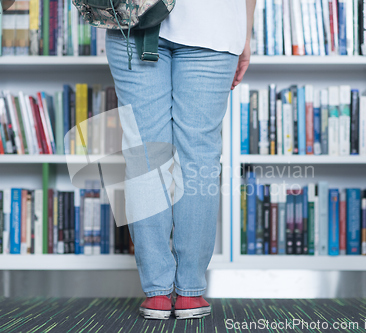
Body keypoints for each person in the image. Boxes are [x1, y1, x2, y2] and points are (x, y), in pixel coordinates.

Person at [105, 0, 256, 320]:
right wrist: (246, 32)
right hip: (214, 24)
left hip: (134, 18)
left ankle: (158, 293)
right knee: (199, 156)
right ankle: (190, 293)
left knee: (145, 155)